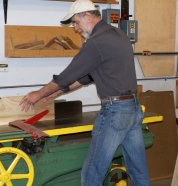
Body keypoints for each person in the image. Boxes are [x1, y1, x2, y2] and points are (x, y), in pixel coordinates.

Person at [20, 0, 150, 185]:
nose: (75, 28)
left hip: (115, 112)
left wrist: (38, 95)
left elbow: (67, 75)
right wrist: (55, 94)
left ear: (87, 16)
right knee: (138, 170)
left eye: (76, 22)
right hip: (132, 109)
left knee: (92, 172)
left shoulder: (96, 42)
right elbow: (87, 77)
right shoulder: (118, 35)